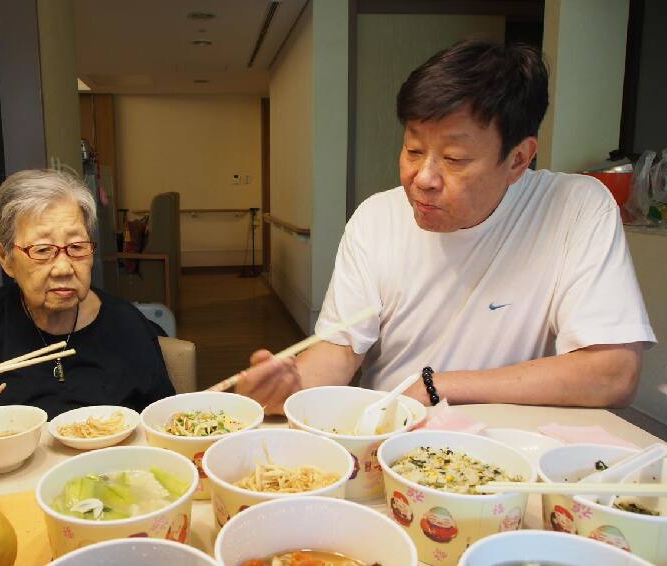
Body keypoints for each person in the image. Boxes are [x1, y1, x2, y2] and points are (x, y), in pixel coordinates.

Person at [238, 39, 655, 414]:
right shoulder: (376, 218)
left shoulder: (575, 207)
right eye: (413, 149)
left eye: (454, 159)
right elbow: (339, 349)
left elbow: (613, 372)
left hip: (513, 450)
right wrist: (290, 388)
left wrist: (438, 387)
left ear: (518, 160)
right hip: (393, 438)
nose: (423, 178)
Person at [0, 169, 175, 426]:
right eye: (42, 250)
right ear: (5, 259)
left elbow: (163, 423)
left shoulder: (128, 325)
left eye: (76, 247)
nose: (64, 268)